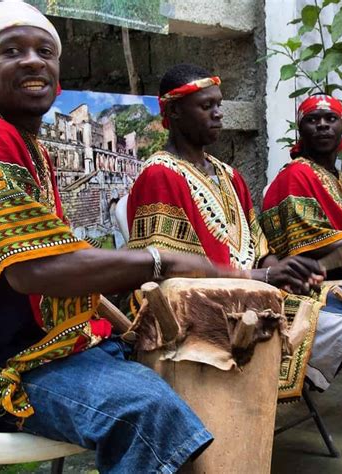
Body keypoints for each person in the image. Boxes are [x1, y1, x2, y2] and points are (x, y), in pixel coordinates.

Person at [0, 3, 260, 472]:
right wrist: (164, 260)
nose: (33, 61)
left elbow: (49, 255)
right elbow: (35, 271)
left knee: (180, 375)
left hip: (44, 350)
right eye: (12, 51)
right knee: (146, 410)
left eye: (45, 51)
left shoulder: (21, 140)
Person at [126, 63, 326, 400]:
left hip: (254, 302)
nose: (219, 114)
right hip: (204, 316)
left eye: (219, 104)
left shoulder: (230, 175)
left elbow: (260, 248)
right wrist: (261, 277)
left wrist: (283, 272)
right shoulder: (160, 175)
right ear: (174, 112)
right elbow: (167, 272)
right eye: (207, 106)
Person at [261, 94, 342, 422]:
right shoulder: (295, 175)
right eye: (313, 119)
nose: (323, 125)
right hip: (312, 282)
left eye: (331, 118)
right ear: (300, 128)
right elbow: (312, 250)